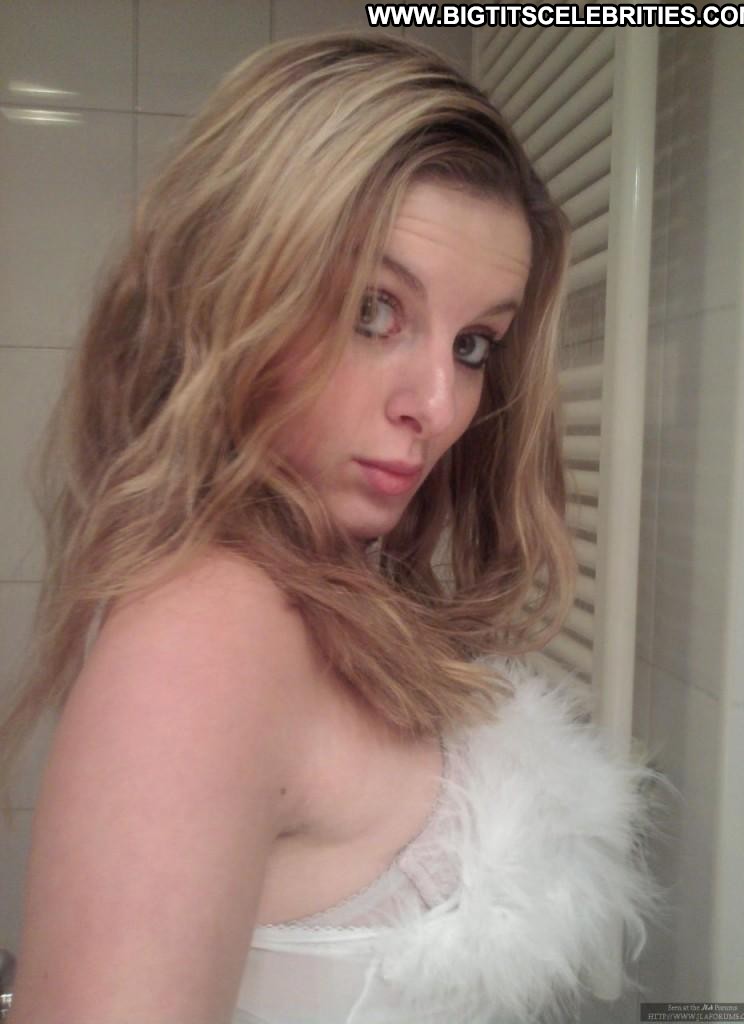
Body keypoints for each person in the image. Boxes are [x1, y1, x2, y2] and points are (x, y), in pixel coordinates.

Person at [0, 31, 665, 1024]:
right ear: (229, 293)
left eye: (474, 342)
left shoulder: (330, 576)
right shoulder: (204, 636)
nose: (438, 405)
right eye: (371, 309)